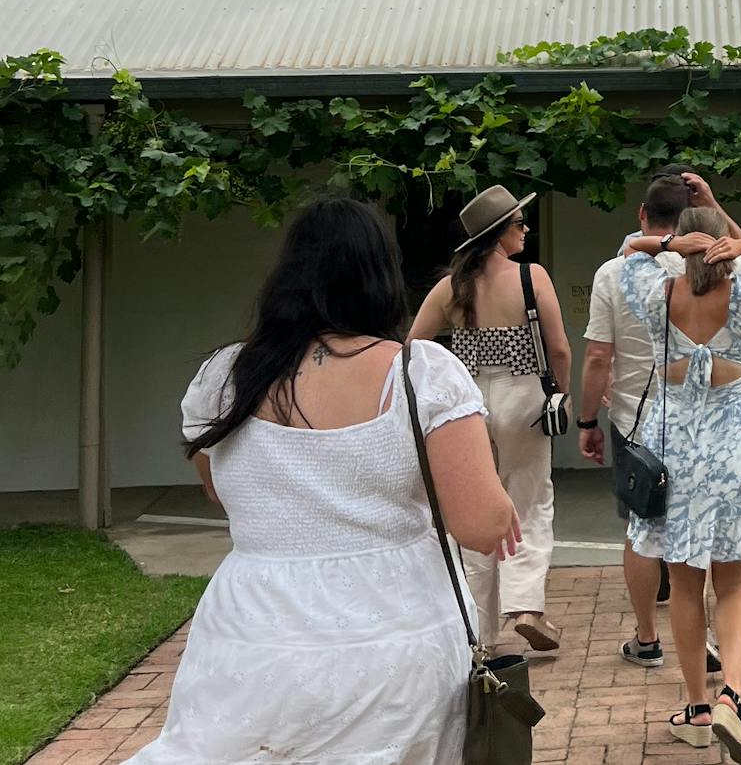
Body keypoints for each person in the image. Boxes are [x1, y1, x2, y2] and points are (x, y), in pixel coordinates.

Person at [127, 195, 518, 764]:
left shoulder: (225, 377)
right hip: (394, 624)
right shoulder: (421, 373)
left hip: (252, 626)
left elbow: (222, 488)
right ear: (381, 276)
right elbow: (481, 524)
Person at [618, 208, 741, 762]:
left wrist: (668, 241)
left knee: (685, 581)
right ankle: (734, 697)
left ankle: (697, 707)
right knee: (738, 581)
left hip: (674, 446)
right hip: (733, 448)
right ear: (722, 245)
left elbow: (630, 248)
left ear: (684, 246)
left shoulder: (659, 294)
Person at [410, 184, 571, 651]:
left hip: (469, 399)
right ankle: (524, 605)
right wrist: (559, 393)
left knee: (478, 508)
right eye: (519, 223)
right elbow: (559, 348)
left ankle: (480, 632)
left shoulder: (450, 287)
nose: (525, 229)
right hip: (523, 396)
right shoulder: (531, 277)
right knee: (531, 500)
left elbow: (412, 349)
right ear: (500, 233)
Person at [578, 170, 724, 673]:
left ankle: (647, 638)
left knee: (643, 528)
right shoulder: (713, 267)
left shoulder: (614, 272)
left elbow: (599, 357)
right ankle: (704, 638)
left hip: (636, 421)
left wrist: (586, 420)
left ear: (642, 215)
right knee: (699, 531)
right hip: (700, 419)